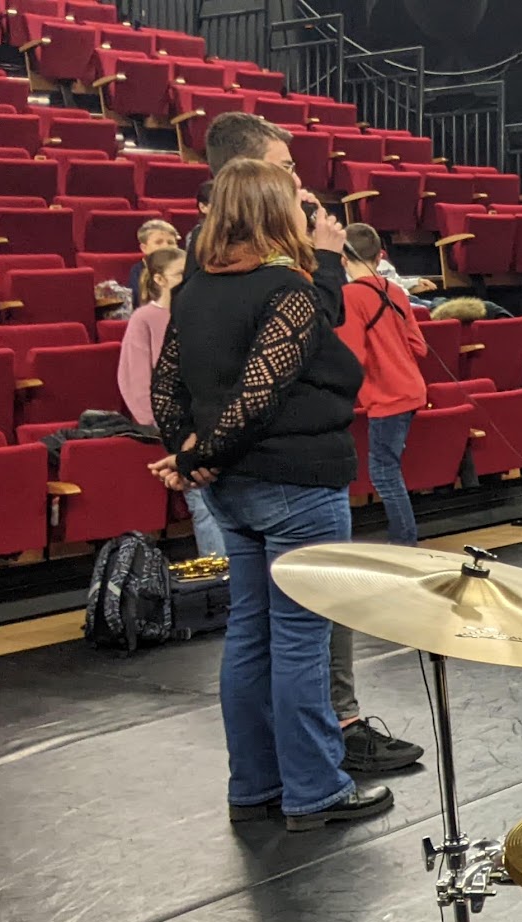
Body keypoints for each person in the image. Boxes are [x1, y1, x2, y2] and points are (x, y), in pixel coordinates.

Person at [146, 159, 394, 830]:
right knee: (301, 641)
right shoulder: (286, 288)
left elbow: (165, 388)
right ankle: (315, 789)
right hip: (295, 482)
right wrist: (199, 455)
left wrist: (195, 457)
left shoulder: (193, 290)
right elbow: (262, 392)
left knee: (250, 634)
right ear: (278, 213)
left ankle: (254, 784)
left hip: (233, 486)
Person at [199, 111, 423, 775]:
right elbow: (310, 339)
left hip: (242, 468)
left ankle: (261, 776)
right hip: (290, 467)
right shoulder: (263, 255)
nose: (300, 184)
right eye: (285, 168)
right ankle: (320, 772)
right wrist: (324, 261)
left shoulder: (212, 253)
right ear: (247, 172)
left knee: (254, 630)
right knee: (305, 625)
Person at [118, 247, 224, 558]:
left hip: (207, 422)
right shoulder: (144, 318)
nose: (187, 280)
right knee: (203, 504)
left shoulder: (198, 312)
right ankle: (218, 574)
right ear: (160, 279)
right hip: (175, 427)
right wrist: (164, 427)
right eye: (180, 275)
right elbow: (136, 380)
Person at [337, 223, 429, 546]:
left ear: (343, 259)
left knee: (384, 474)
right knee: (389, 469)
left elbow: (352, 356)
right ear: (379, 257)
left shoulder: (349, 296)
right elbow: (419, 347)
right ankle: (404, 541)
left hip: (387, 396)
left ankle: (404, 544)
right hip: (411, 389)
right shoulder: (396, 291)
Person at [126, 219, 181, 305]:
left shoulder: (184, 268)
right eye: (158, 242)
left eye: (170, 242)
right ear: (144, 248)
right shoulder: (137, 271)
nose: (166, 246)